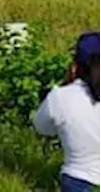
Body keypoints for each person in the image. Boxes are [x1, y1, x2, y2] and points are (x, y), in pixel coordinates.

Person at [33, 32, 101, 192]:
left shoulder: (60, 96)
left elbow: (42, 128)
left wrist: (65, 84)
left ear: (76, 65)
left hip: (79, 181)